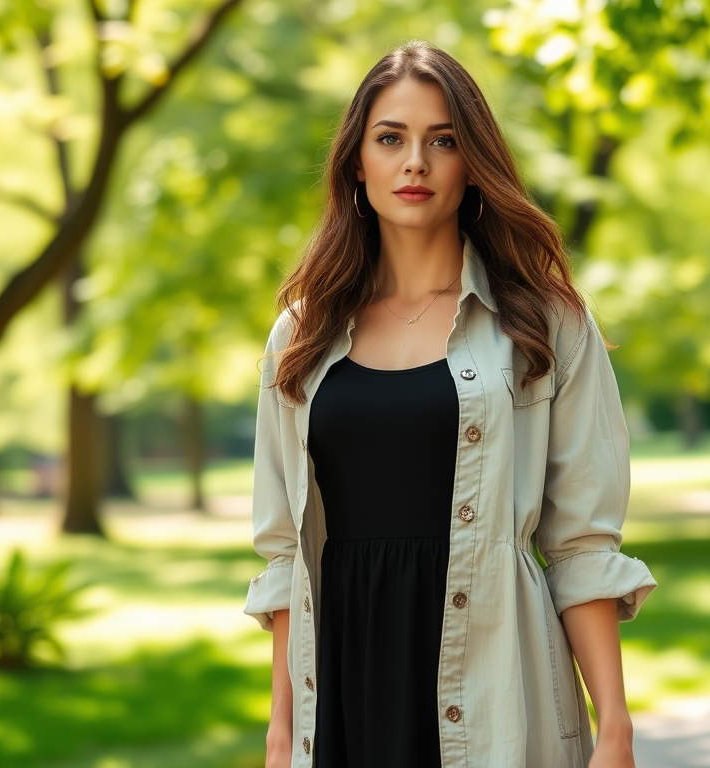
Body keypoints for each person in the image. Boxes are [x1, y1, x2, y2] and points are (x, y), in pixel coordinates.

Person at [243, 41, 657, 768]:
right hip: (344, 682)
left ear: (474, 167)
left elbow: (582, 544)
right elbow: (286, 557)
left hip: (496, 682)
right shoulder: (300, 337)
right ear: (355, 162)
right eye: (391, 138)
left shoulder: (544, 323)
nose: (415, 163)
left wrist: (614, 729)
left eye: (444, 141)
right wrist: (283, 735)